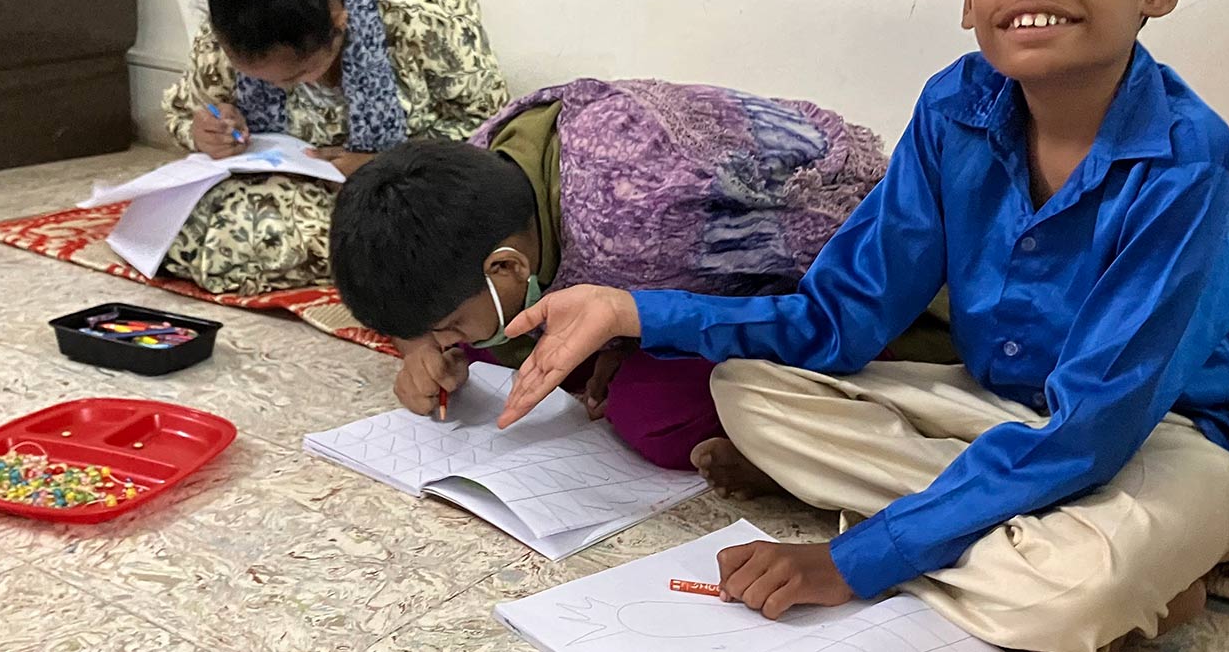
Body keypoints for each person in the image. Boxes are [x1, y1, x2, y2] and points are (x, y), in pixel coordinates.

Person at [492, 0, 1229, 652]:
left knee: (1078, 592)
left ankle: (1098, 568)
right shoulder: (956, 109)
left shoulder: (1184, 158)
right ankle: (1045, 546)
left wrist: (849, 562)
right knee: (748, 392)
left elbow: (1095, 427)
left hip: (1181, 438)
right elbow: (837, 321)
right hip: (1004, 412)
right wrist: (628, 308)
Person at [328, 79, 891, 469]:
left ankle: (782, 461)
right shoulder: (479, 179)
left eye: (443, 327)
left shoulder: (633, 214)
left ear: (508, 266)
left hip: (839, 271)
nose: (438, 343)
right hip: (647, 275)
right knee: (488, 344)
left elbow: (822, 294)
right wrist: (419, 351)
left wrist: (638, 328)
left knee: (654, 414)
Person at [159, 0, 508, 294]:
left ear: (339, 23)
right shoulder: (233, 21)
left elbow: (491, 128)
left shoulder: (421, 11)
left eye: (298, 75)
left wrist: (386, 164)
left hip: (405, 189)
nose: (282, 89)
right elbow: (185, 111)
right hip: (287, 184)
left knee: (404, 236)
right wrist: (204, 132)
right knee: (180, 222)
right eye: (261, 80)